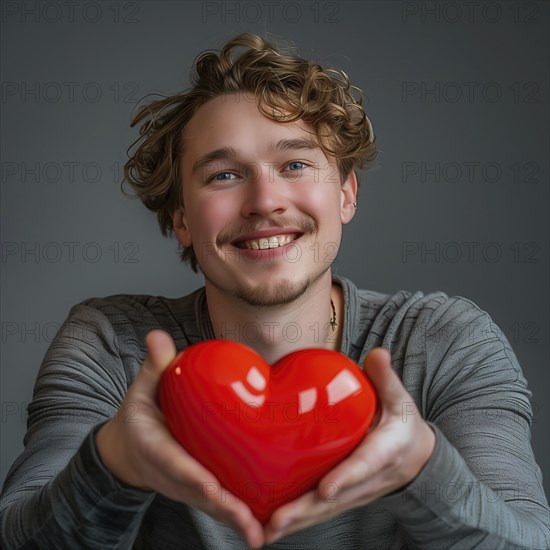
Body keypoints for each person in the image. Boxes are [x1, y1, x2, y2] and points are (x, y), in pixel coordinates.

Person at [1, 32, 549, 550]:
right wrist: (115, 461)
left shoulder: (444, 342)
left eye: (295, 164)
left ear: (346, 196)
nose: (265, 201)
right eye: (222, 175)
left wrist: (421, 467)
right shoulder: (111, 342)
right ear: (182, 220)